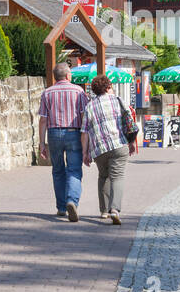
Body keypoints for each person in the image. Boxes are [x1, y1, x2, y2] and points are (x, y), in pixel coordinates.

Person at [80, 74, 138, 225]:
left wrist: (85, 153)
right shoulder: (118, 100)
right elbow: (129, 122)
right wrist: (132, 142)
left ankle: (104, 211)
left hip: (99, 149)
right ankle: (115, 210)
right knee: (117, 177)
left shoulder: (89, 106)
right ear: (107, 87)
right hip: (119, 144)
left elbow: (84, 132)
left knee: (103, 176)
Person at [38, 61, 86, 221]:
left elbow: (43, 120)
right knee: (74, 170)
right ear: (67, 75)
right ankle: (72, 201)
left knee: (58, 171)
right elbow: (85, 117)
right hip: (74, 132)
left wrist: (41, 143)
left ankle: (61, 207)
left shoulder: (47, 93)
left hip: (54, 133)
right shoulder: (79, 91)